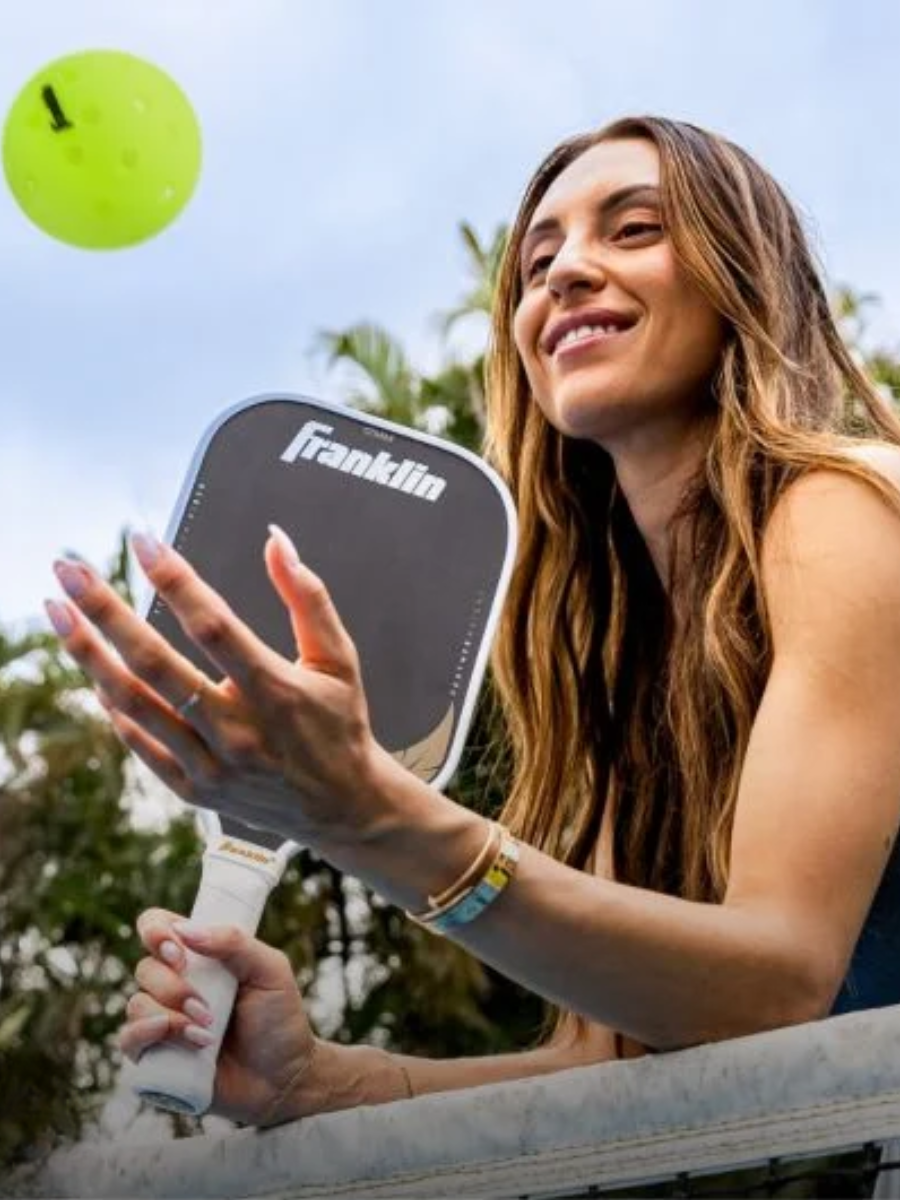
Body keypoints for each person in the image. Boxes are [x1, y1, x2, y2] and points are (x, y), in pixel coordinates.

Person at [46, 115, 900, 1128]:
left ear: (744, 277)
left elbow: (780, 981)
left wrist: (371, 817)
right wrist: (317, 1083)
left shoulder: (847, 505)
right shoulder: (629, 652)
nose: (564, 273)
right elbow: (618, 1055)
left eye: (634, 229)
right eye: (538, 262)